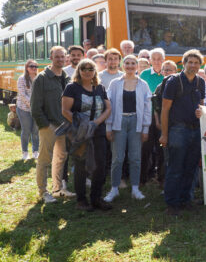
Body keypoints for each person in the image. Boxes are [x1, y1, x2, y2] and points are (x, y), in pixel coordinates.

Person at [61, 58, 113, 211]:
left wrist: (95, 123)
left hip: (98, 132)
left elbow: (108, 108)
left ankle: (96, 198)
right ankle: (81, 200)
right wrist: (82, 125)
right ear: (79, 71)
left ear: (95, 71)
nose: (87, 71)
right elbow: (65, 110)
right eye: (84, 68)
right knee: (81, 166)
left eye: (91, 69)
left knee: (100, 166)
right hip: (79, 134)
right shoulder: (72, 88)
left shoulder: (100, 88)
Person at [160, 50, 206, 216]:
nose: (193, 65)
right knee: (175, 167)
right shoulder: (174, 81)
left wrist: (202, 111)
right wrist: (164, 134)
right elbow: (165, 110)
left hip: (196, 130)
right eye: (190, 62)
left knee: (191, 168)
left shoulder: (201, 82)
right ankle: (172, 204)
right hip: (178, 130)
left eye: (196, 63)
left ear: (200, 65)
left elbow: (202, 106)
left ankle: (186, 200)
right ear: (184, 63)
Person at [104, 55, 152, 203]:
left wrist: (145, 128)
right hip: (119, 122)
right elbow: (109, 106)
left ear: (137, 66)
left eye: (133, 63)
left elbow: (147, 108)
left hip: (136, 122)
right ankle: (114, 188)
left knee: (135, 157)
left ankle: (135, 188)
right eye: (127, 63)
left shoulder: (143, 84)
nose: (130, 66)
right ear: (123, 65)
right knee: (117, 157)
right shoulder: (115, 83)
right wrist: (108, 126)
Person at [30, 46, 71, 203]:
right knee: (45, 160)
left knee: (60, 159)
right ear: (51, 58)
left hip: (64, 126)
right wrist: (45, 125)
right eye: (57, 57)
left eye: (62, 56)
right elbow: (35, 107)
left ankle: (58, 189)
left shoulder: (67, 77)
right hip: (50, 126)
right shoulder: (41, 78)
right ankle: (42, 192)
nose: (60, 59)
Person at [151, 60, 179, 186]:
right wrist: (158, 122)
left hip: (177, 126)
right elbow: (156, 108)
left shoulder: (179, 85)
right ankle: (162, 179)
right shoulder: (159, 87)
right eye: (165, 70)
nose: (167, 72)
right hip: (163, 126)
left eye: (170, 70)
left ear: (176, 71)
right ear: (161, 72)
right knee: (162, 153)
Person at [16, 59, 40, 160]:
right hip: (24, 109)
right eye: (31, 66)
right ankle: (25, 152)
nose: (34, 68)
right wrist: (32, 104)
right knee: (26, 130)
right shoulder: (22, 79)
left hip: (37, 109)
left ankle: (35, 151)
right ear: (27, 68)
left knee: (35, 131)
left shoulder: (39, 78)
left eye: (35, 66)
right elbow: (22, 94)